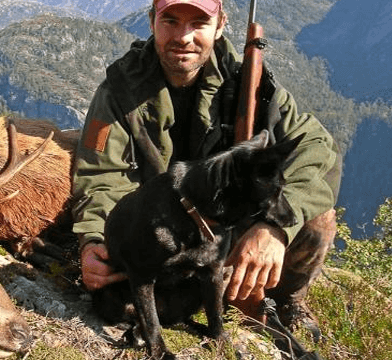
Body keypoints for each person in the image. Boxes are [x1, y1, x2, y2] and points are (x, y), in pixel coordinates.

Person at [71, 0, 342, 337]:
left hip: (227, 228)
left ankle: (288, 299)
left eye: (198, 22)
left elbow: (317, 149)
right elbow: (101, 174)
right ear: (152, 20)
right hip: (160, 233)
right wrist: (95, 240)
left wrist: (272, 227)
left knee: (318, 217)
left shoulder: (252, 87)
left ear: (220, 25)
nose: (183, 37)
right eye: (170, 21)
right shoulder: (121, 90)